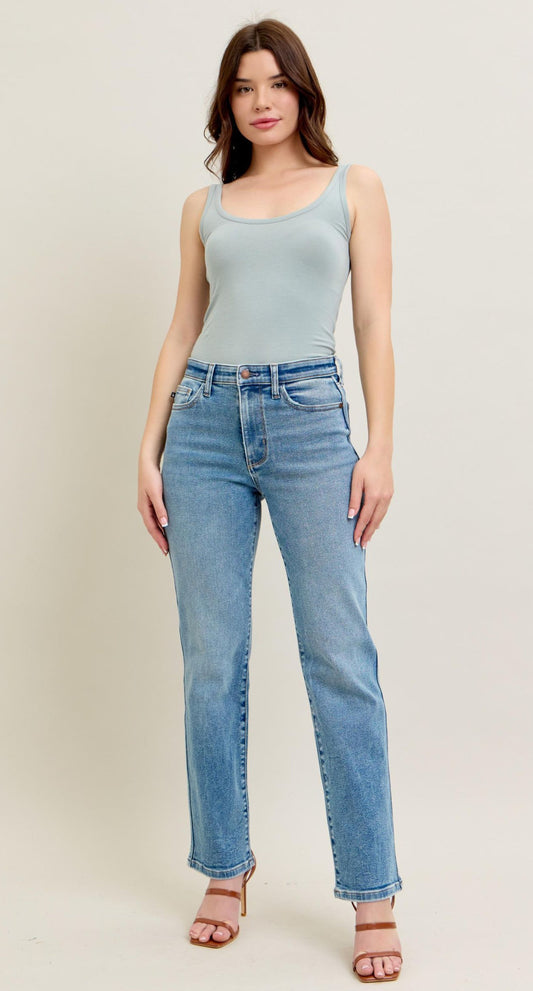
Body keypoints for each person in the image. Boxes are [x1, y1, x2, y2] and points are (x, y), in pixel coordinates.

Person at [137, 18, 404, 983]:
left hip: (308, 423)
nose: (261, 100)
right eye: (244, 86)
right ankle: (224, 865)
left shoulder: (351, 188)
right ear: (229, 100)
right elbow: (181, 328)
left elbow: (370, 316)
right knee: (212, 659)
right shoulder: (204, 205)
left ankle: (371, 890)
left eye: (276, 82)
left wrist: (379, 444)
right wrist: (148, 443)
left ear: (302, 91)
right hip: (203, 427)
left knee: (340, 657)